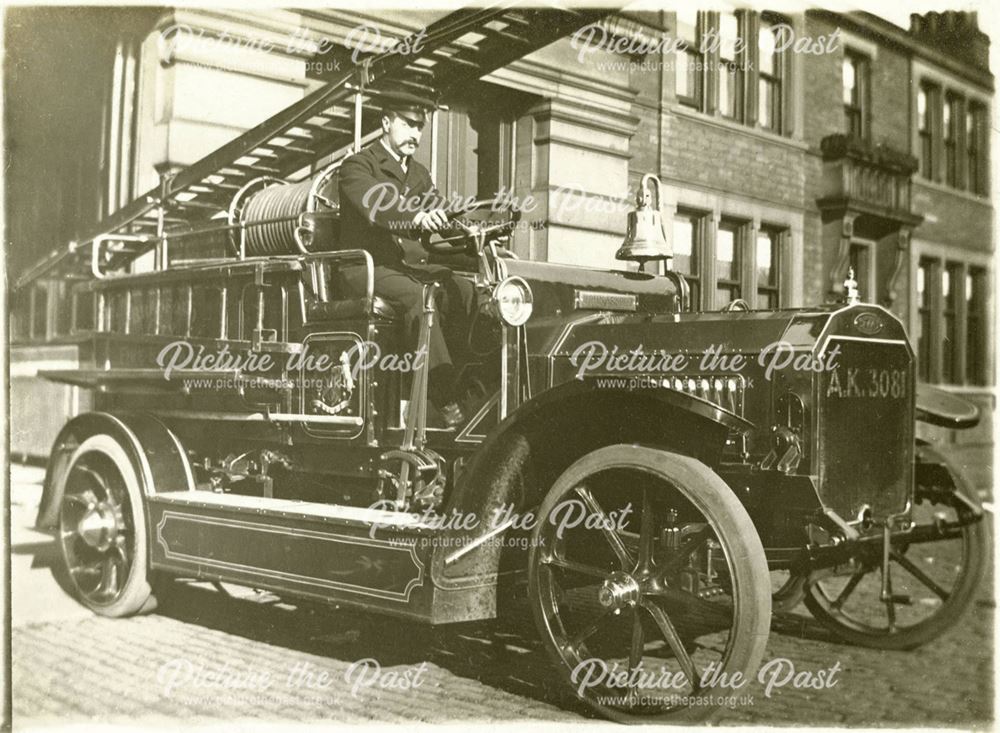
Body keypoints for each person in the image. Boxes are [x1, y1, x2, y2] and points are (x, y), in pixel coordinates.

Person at [338, 91, 474, 428]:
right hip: (366, 267)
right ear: (386, 123)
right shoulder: (358, 165)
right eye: (408, 124)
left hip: (405, 268)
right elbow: (377, 205)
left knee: (465, 290)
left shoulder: (419, 174)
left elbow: (440, 210)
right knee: (420, 296)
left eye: (420, 127)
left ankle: (463, 383)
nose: (416, 133)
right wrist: (416, 218)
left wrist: (472, 229)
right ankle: (442, 396)